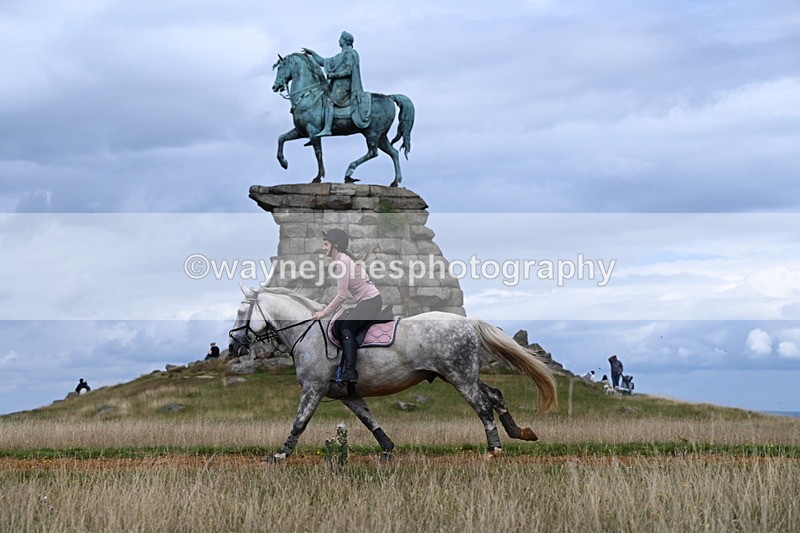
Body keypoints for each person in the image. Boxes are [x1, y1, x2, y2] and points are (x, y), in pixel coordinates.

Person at [312, 228, 382, 384]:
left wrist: (324, 312)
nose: (323, 248)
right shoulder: (343, 259)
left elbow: (341, 296)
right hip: (370, 301)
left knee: (346, 329)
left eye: (325, 244)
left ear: (334, 245)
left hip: (370, 302)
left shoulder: (341, 263)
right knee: (342, 324)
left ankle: (350, 372)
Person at [302, 31, 371, 143]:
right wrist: (313, 54)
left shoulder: (351, 53)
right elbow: (324, 62)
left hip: (344, 87)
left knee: (328, 100)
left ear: (345, 40)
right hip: (336, 85)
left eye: (340, 38)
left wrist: (332, 75)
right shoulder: (340, 56)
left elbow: (349, 71)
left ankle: (327, 128)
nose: (338, 40)